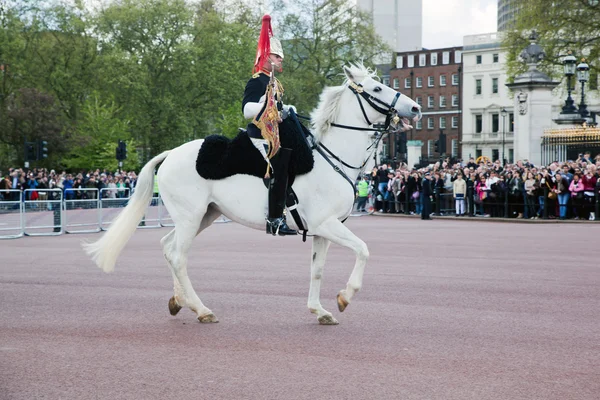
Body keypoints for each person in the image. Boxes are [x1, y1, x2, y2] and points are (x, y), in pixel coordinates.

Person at [242, 14, 297, 236]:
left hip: (275, 136)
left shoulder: (274, 83)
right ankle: (275, 219)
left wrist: (286, 110)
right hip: (260, 137)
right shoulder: (258, 81)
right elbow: (247, 110)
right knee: (278, 167)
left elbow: (277, 112)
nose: (280, 60)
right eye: (277, 56)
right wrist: (265, 103)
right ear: (266, 56)